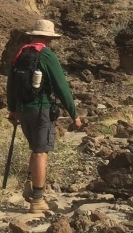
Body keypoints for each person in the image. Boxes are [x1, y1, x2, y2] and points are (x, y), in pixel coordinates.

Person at [6, 18, 81, 213]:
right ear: (48, 38)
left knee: (35, 148)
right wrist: (74, 114)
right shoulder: (47, 55)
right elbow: (62, 87)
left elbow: (11, 84)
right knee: (41, 152)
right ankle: (37, 200)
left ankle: (30, 186)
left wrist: (13, 109)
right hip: (40, 109)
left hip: (22, 110)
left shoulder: (20, 53)